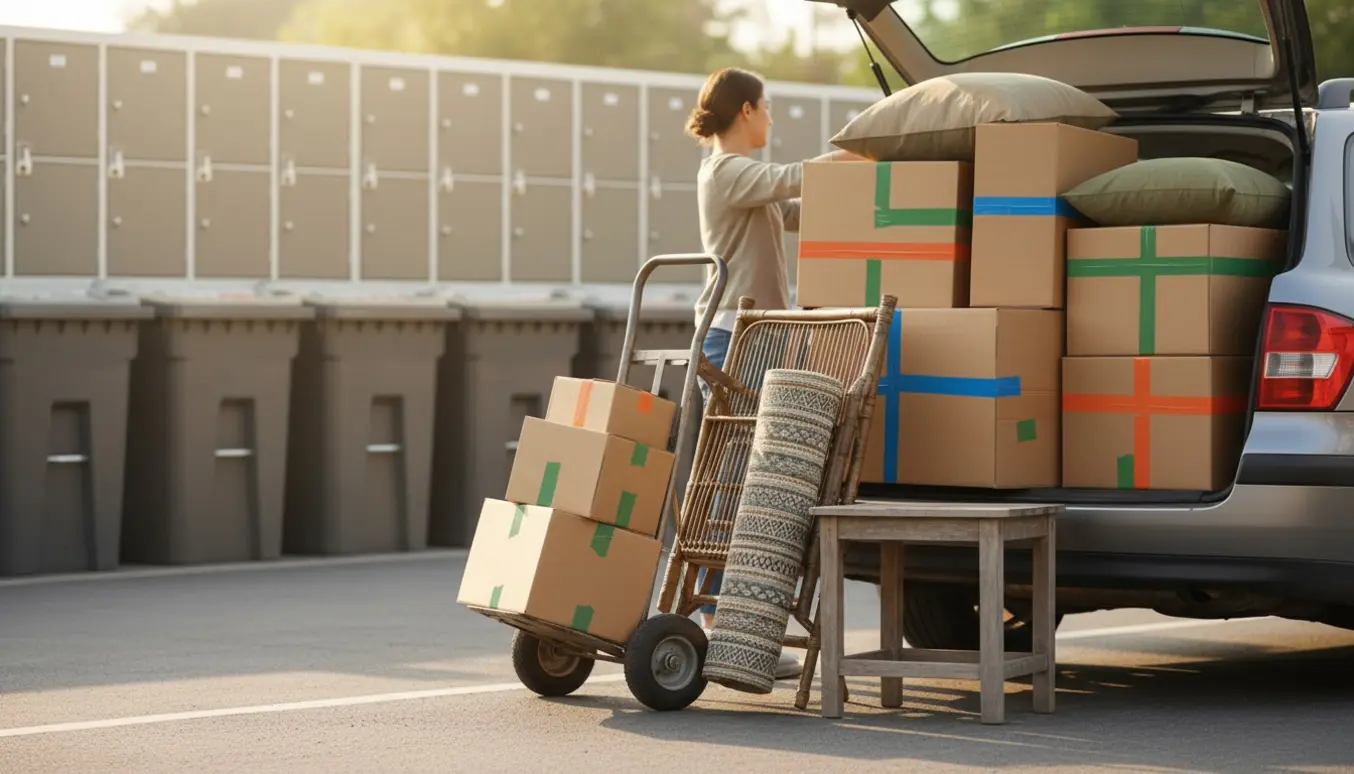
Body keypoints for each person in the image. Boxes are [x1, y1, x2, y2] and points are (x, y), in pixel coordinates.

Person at [684, 66, 861, 681]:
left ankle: (727, 621)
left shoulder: (742, 182)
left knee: (748, 477)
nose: (773, 119)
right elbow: (787, 179)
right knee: (743, 480)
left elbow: (792, 210)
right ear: (746, 112)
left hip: (758, 337)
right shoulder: (727, 172)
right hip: (739, 338)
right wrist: (851, 155)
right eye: (768, 108)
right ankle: (722, 624)